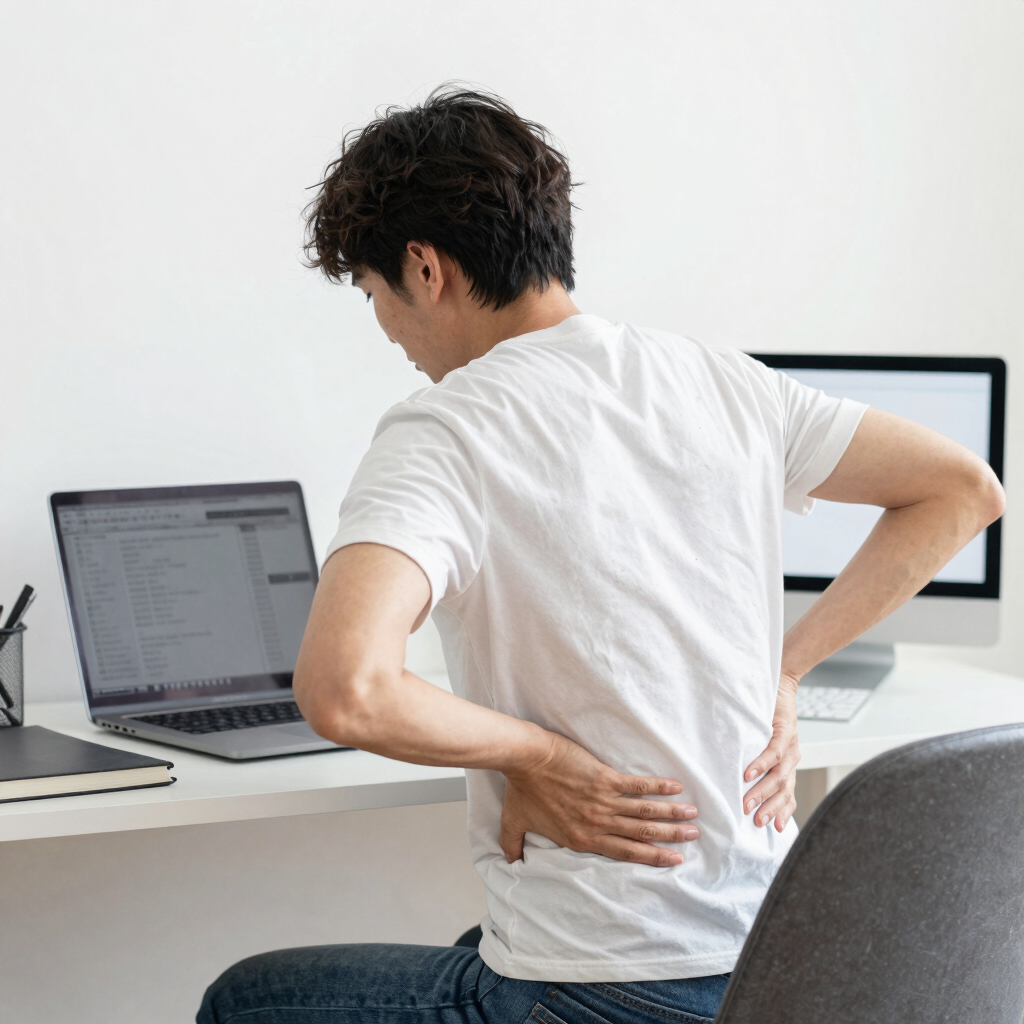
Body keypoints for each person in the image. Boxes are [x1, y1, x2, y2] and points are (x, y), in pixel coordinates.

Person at [197, 88, 1004, 1024]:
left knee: (249, 999)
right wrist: (783, 672)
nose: (388, 332)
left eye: (374, 294)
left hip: (602, 988)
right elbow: (964, 490)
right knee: (475, 938)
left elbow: (347, 690)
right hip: (776, 969)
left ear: (424, 268)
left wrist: (540, 756)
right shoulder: (718, 379)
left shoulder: (447, 428)